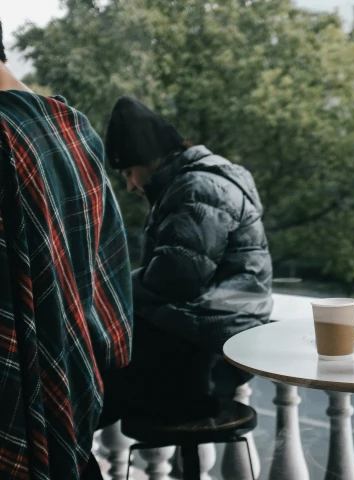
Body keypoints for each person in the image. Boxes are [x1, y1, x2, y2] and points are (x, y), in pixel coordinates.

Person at [0, 21, 133, 480]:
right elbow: (107, 273)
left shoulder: (6, 135)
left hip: (18, 409)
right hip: (76, 392)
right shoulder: (73, 127)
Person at [101, 96, 273, 424]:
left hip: (214, 346)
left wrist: (110, 288)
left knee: (96, 377)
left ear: (146, 157)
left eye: (128, 171)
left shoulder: (197, 188)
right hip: (214, 332)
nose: (130, 184)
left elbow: (177, 277)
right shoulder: (196, 181)